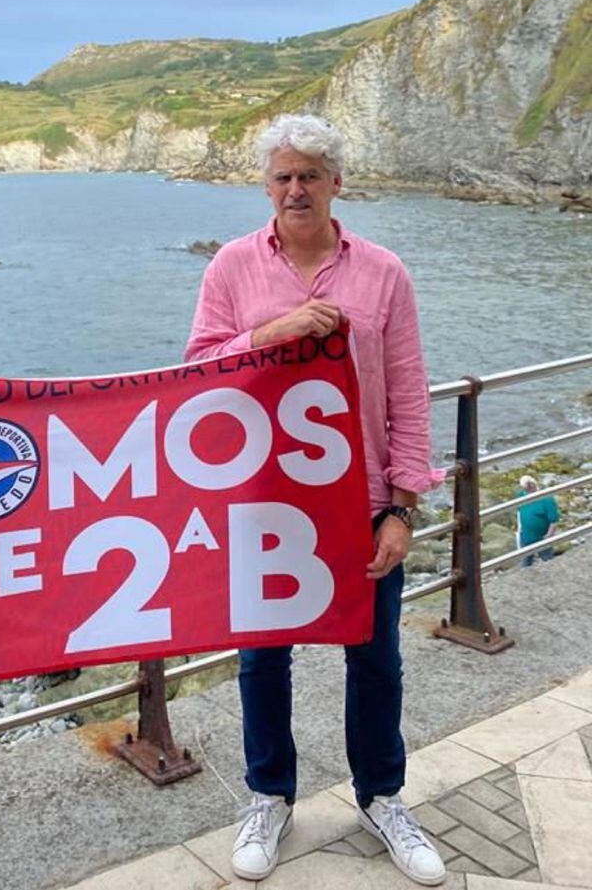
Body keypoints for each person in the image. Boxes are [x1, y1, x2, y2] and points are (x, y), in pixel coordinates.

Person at [185, 113, 445, 886]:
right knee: (263, 658)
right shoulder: (231, 268)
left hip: (362, 501)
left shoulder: (385, 272)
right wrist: (274, 331)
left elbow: (408, 392)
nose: (296, 189)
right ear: (267, 186)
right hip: (263, 500)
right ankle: (269, 794)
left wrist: (402, 505)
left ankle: (383, 796)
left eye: (310, 175)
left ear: (337, 183)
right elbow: (196, 371)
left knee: (377, 660)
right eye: (283, 176)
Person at [516, 473, 560, 565]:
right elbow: (519, 511)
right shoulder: (520, 495)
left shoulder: (547, 499)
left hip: (542, 537)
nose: (530, 487)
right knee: (525, 561)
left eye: (531, 484)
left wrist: (549, 535)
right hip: (525, 535)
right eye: (526, 486)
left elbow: (554, 520)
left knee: (548, 560)